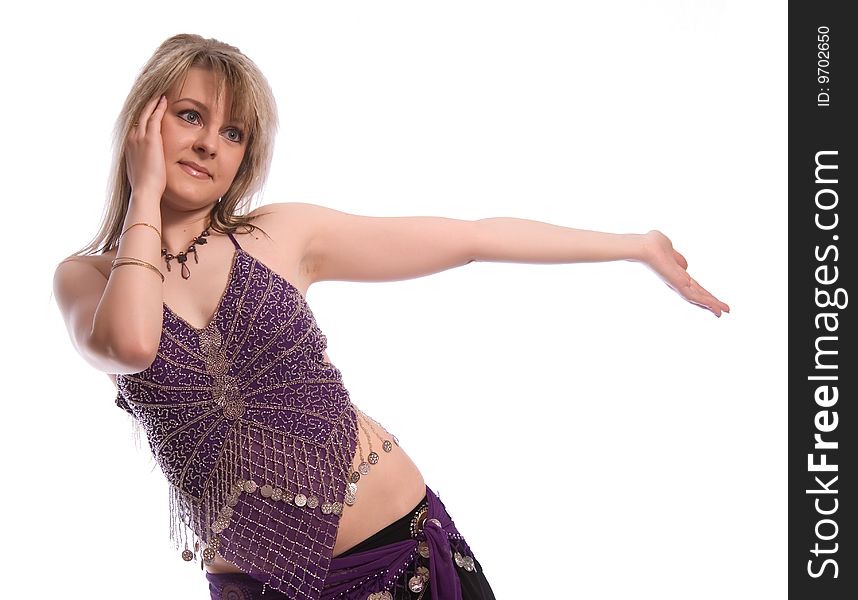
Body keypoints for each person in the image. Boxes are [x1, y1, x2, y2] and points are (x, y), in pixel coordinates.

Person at [53, 34, 729, 600]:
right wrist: (146, 194)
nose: (209, 145)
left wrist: (633, 247)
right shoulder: (85, 279)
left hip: (400, 550)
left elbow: (471, 238)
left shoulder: (280, 234)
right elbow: (134, 342)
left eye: (233, 132)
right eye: (191, 117)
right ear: (147, 118)